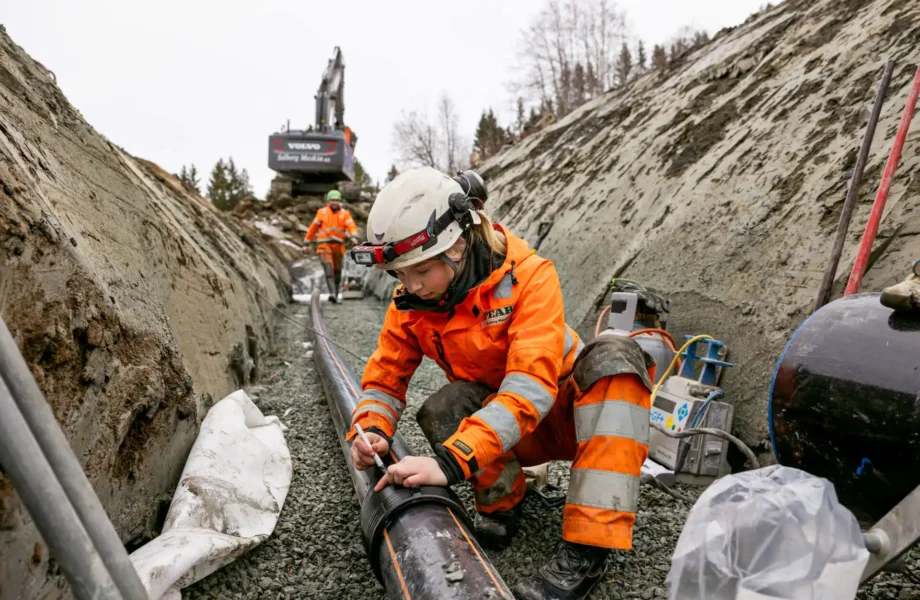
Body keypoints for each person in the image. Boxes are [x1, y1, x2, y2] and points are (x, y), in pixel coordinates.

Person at [345, 166, 653, 600]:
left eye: (420, 271)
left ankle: (589, 547)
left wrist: (450, 464)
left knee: (615, 361)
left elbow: (531, 385)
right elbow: (385, 377)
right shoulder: (413, 302)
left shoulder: (529, 277)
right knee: (445, 405)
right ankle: (502, 506)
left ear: (456, 247)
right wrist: (372, 429)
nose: (410, 285)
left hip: (572, 419)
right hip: (507, 429)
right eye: (400, 275)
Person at [304, 190, 359, 303]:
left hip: (338, 247)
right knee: (329, 269)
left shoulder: (345, 214)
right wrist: (306, 242)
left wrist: (354, 236)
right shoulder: (322, 212)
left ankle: (336, 294)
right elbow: (313, 228)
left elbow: (351, 226)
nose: (334, 203)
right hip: (324, 245)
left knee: (337, 272)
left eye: (336, 200)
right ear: (328, 201)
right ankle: (332, 294)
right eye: (332, 200)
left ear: (340, 202)